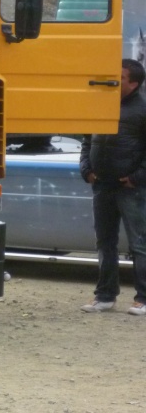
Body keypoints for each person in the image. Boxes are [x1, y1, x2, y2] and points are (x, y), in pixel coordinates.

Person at [80, 58, 146, 315]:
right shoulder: (100, 105)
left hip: (131, 189)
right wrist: (86, 169)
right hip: (102, 186)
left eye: (120, 77)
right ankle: (105, 296)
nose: (114, 81)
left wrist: (136, 178)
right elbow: (87, 139)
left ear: (134, 83)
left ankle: (142, 298)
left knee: (139, 243)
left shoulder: (142, 109)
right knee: (104, 242)